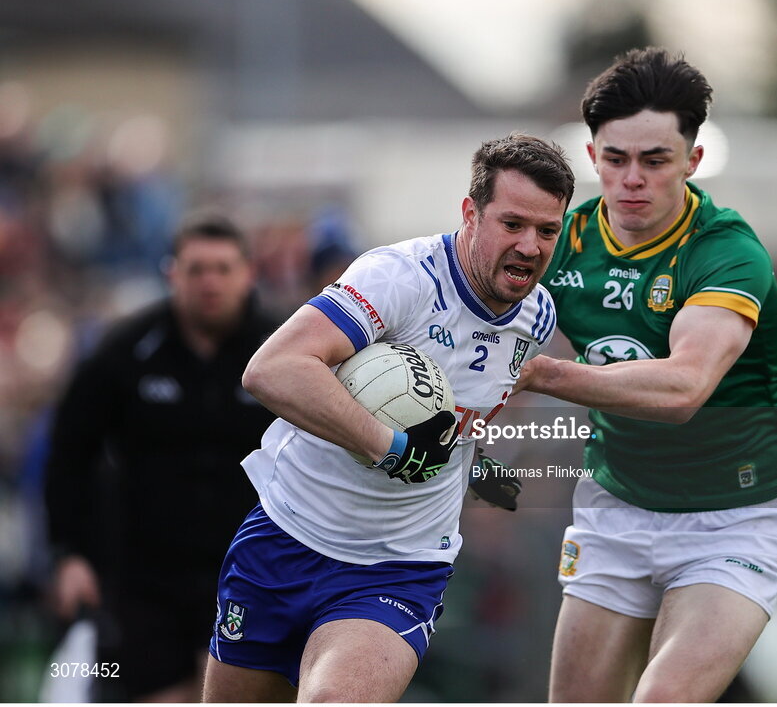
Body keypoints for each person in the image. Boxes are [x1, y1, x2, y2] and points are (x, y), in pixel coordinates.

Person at [202, 133, 574, 702]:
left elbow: (465, 415)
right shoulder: (399, 278)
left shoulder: (537, 316)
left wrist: (481, 474)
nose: (530, 245)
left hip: (397, 569)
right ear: (470, 214)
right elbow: (271, 369)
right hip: (286, 538)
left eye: (547, 231)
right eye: (513, 224)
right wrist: (389, 445)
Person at [515, 47, 777, 703]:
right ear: (591, 158)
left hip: (734, 516)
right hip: (617, 508)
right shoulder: (560, 241)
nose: (632, 180)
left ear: (693, 161)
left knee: (660, 699)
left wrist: (544, 376)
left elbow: (682, 389)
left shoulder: (726, 251)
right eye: (615, 160)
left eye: (654, 160)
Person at [45, 213, 281, 701]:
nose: (209, 282)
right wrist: (70, 554)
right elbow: (69, 453)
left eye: (223, 268)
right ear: (172, 273)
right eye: (196, 270)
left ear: (248, 274)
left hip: (251, 570)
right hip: (143, 577)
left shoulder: (283, 351)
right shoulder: (125, 352)